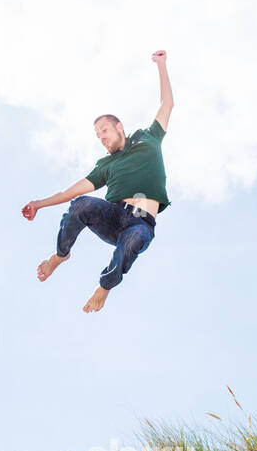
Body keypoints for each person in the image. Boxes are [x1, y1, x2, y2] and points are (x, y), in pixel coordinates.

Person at [22, 51, 173, 312]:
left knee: (134, 238)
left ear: (119, 127)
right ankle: (61, 255)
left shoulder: (149, 138)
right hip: (112, 216)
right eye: (97, 135)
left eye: (104, 130)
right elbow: (70, 193)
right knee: (82, 205)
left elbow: (167, 104)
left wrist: (161, 65)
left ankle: (104, 287)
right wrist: (39, 203)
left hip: (140, 221)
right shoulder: (106, 165)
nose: (101, 137)